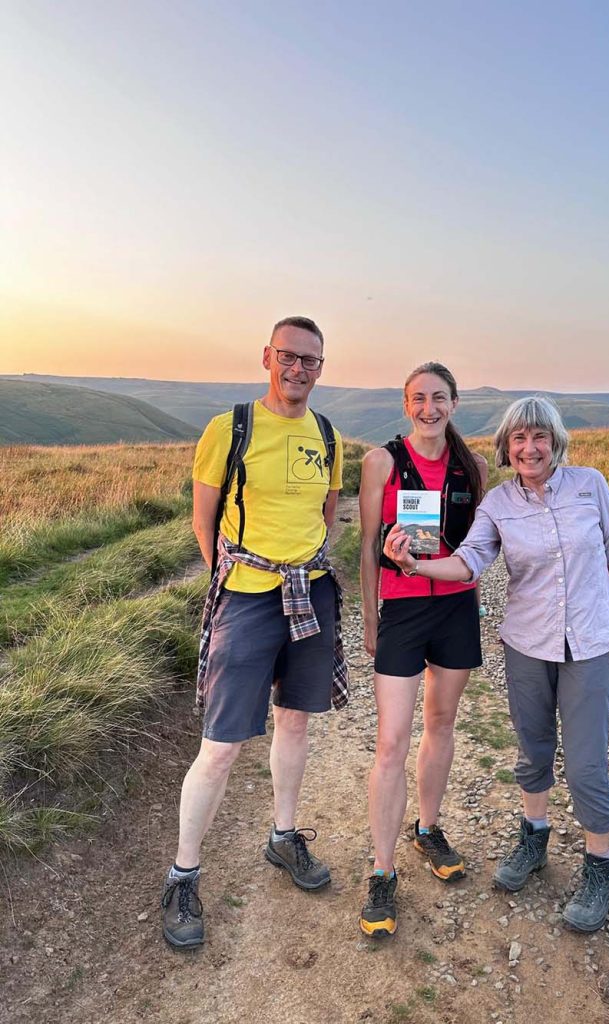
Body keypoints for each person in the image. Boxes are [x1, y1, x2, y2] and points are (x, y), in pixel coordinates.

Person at [384, 395, 609, 933]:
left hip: (590, 642)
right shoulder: (498, 503)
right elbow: (470, 560)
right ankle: (533, 838)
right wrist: (414, 561)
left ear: (555, 441)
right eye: (518, 439)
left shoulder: (591, 485)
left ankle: (600, 868)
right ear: (506, 447)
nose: (529, 447)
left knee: (587, 761)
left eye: (539, 437)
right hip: (527, 644)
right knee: (533, 748)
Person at [161, 316, 347, 949]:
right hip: (246, 596)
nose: (299, 369)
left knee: (295, 721)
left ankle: (283, 837)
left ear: (322, 368)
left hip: (310, 589)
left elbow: (327, 515)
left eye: (311, 361)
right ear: (268, 356)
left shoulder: (327, 433)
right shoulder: (230, 428)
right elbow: (203, 517)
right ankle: (182, 876)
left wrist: (307, 564)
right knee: (221, 744)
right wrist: (230, 582)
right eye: (289, 357)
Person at [358, 362, 488, 938]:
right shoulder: (382, 462)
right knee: (391, 741)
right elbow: (366, 546)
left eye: (438, 398)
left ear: (455, 403)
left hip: (456, 608)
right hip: (403, 610)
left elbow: (481, 544)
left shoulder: (473, 466)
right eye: (418, 399)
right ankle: (382, 872)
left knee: (441, 724)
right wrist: (369, 617)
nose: (428, 408)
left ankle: (427, 829)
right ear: (406, 403)